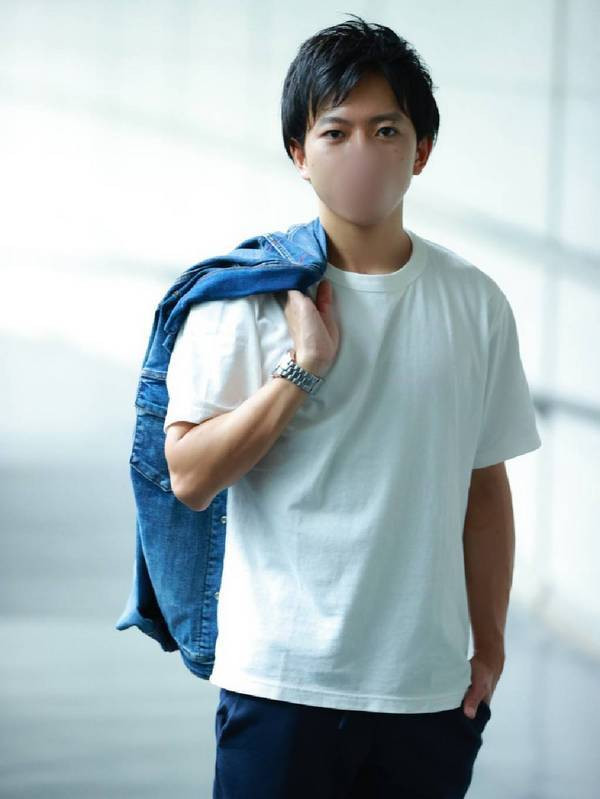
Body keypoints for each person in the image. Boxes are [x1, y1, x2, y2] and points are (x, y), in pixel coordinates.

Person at [163, 13, 542, 799]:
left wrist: (491, 647)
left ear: (421, 150)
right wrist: (301, 370)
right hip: (280, 683)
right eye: (335, 132)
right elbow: (189, 477)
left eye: (385, 129)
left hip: (426, 691)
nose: (361, 151)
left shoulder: (475, 303)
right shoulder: (245, 299)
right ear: (299, 153)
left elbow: (484, 488)